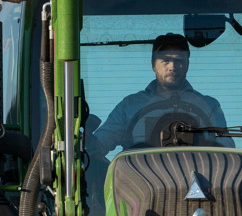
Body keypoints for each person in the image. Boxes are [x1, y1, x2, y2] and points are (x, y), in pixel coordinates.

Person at [95, 33, 232, 153]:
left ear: (187, 64)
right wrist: (84, 138)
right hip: (140, 182)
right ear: (153, 64)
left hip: (197, 181)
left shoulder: (209, 106)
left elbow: (225, 152)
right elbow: (98, 146)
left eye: (179, 60)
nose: (172, 67)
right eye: (166, 60)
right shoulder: (129, 105)